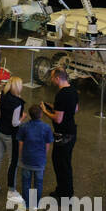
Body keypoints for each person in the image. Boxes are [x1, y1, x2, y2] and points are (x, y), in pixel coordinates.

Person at [43, 67, 79, 199]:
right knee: (66, 164)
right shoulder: (73, 90)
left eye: (53, 78)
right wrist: (54, 107)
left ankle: (63, 193)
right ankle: (66, 191)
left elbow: (58, 118)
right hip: (72, 132)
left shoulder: (61, 94)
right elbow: (75, 109)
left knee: (59, 164)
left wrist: (45, 111)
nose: (52, 80)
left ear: (58, 78)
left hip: (62, 135)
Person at [0, 76, 25, 194]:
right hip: (10, 135)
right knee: (12, 161)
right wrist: (22, 118)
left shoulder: (3, 95)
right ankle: (11, 189)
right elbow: (15, 123)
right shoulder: (18, 104)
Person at [15, 104, 54, 208]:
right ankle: (36, 204)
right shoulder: (46, 128)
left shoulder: (24, 127)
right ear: (41, 114)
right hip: (39, 161)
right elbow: (47, 144)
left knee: (26, 182)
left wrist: (21, 156)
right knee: (38, 183)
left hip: (27, 159)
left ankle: (26, 204)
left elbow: (21, 144)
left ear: (30, 115)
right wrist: (43, 156)